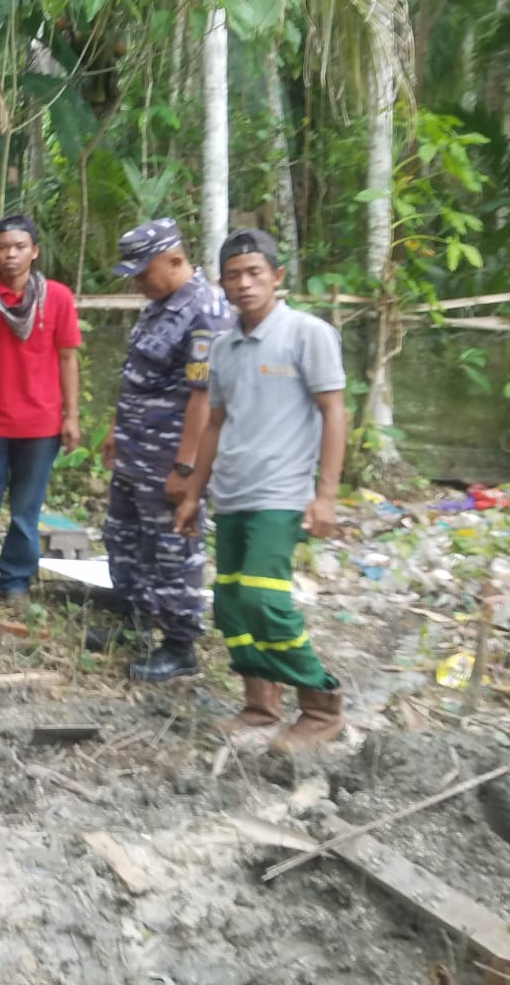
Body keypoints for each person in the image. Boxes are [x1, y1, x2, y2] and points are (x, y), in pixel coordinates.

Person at [174, 228, 348, 752]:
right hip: (232, 492)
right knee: (229, 603)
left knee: (263, 598)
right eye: (234, 275)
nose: (245, 284)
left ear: (276, 277)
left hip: (282, 493)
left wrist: (326, 495)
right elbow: (213, 424)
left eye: (255, 273)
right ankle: (259, 704)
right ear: (222, 284)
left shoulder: (306, 334)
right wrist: (192, 494)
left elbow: (334, 411)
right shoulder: (224, 347)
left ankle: (320, 705)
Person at [99, 218, 233, 682]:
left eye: (143, 271)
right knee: (123, 537)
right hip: (136, 452)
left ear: (175, 260)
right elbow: (137, 374)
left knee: (173, 547)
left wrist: (187, 467)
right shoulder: (157, 304)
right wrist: (116, 429)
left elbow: (204, 396)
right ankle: (135, 622)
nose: (137, 281)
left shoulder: (206, 311)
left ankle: (179, 644)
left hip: (171, 456)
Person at [0, 214, 82, 600]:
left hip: (41, 426)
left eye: (20, 247)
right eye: (4, 247)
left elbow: (67, 358)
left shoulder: (57, 298)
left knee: (26, 511)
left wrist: (70, 416)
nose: (11, 254)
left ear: (34, 252)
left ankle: (15, 579)